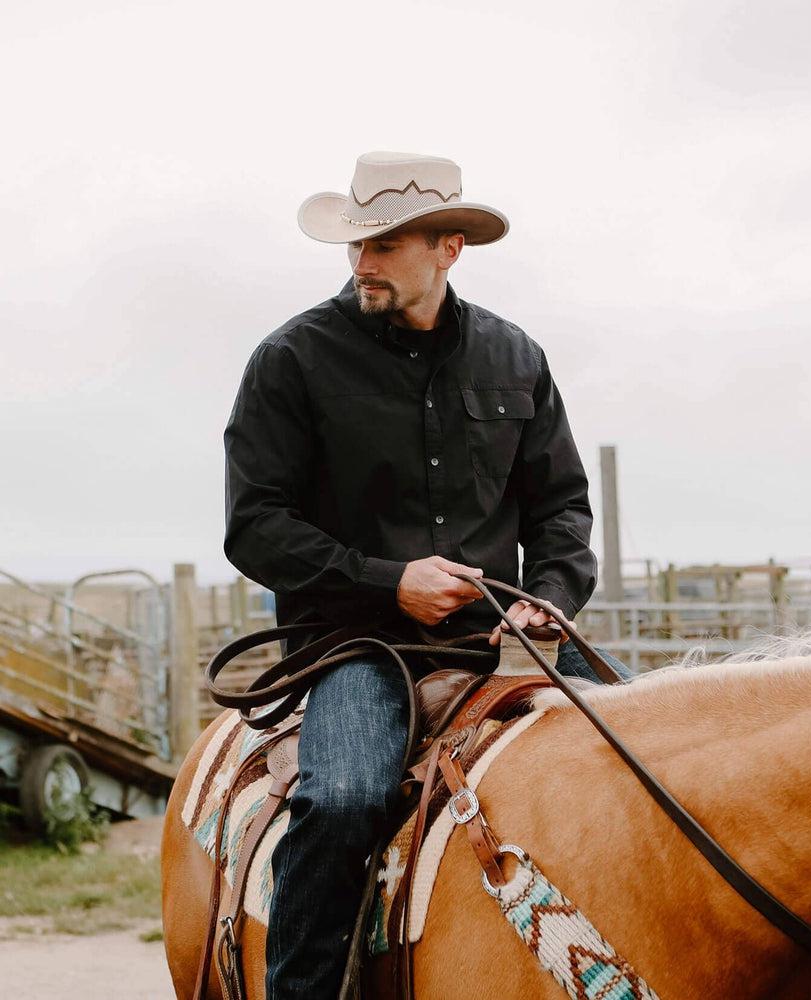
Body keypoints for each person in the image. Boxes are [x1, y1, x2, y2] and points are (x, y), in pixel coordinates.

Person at [223, 150, 628, 998]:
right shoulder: (292, 359)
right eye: (356, 245)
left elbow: (561, 507)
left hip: (500, 641)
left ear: (449, 248)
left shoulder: (516, 357)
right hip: (358, 645)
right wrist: (388, 580)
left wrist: (551, 600)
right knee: (340, 804)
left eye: (387, 244)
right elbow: (255, 526)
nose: (363, 263)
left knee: (659, 766)